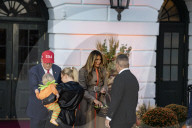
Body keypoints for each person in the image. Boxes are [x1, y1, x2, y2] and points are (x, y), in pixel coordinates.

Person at [26, 50, 61, 128]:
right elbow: (34, 85)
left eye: (50, 63)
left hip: (52, 109)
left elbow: (60, 84)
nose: (48, 65)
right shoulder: (34, 70)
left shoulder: (58, 69)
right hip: (37, 108)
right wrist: (38, 92)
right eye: (46, 63)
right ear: (42, 60)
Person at [105, 54, 139, 128]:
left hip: (119, 119)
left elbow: (115, 99)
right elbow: (135, 99)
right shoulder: (134, 78)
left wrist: (108, 117)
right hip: (130, 118)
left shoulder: (119, 78)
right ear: (128, 64)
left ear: (117, 65)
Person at [77, 50, 108, 128]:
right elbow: (82, 90)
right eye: (96, 59)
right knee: (88, 123)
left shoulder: (103, 70)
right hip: (88, 100)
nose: (99, 61)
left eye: (100, 59)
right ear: (92, 60)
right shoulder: (83, 71)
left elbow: (106, 84)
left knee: (100, 123)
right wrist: (93, 100)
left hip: (101, 99)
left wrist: (104, 89)